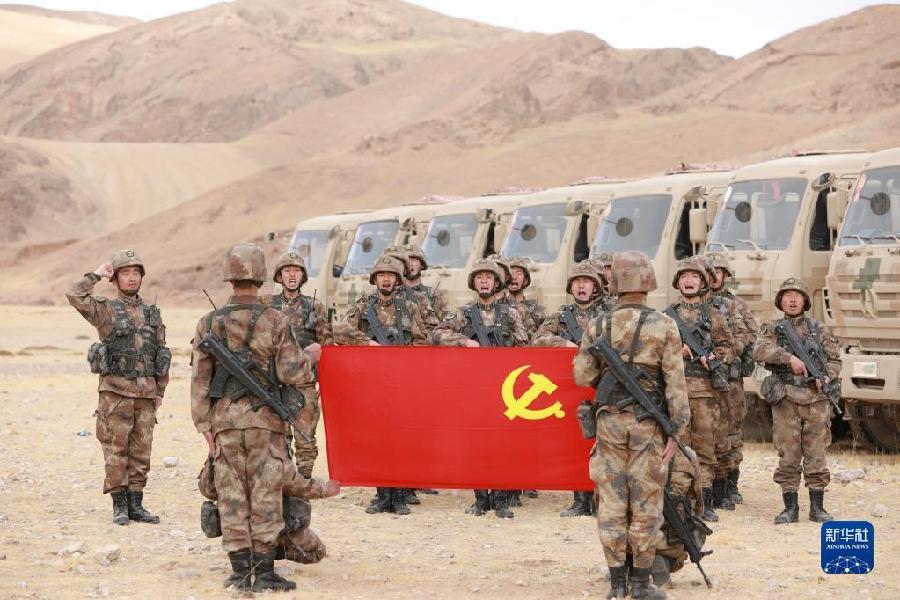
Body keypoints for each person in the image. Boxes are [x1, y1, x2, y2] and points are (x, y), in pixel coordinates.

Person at [191, 242, 322, 592]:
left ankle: (239, 572)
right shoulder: (275, 319)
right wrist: (311, 355)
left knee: (231, 495)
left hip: (224, 424)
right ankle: (263, 573)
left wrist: (205, 426)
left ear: (229, 276)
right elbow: (292, 372)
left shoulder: (209, 322)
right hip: (266, 423)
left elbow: (200, 380)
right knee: (265, 495)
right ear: (263, 276)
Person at [574, 251, 690, 600]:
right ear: (649, 282)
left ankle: (616, 583)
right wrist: (677, 429)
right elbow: (675, 383)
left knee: (611, 502)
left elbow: (582, 376)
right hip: (648, 425)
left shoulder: (598, 325)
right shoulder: (664, 325)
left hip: (609, 423)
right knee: (646, 502)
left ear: (614, 283)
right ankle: (640, 584)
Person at [66, 249, 169, 526]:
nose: (132, 278)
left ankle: (136, 504)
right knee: (115, 449)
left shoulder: (152, 313)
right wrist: (96, 275)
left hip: (146, 394)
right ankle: (119, 506)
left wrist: (160, 390)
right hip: (115, 392)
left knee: (141, 451)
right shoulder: (105, 310)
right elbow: (74, 294)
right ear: (116, 278)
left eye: (136, 273)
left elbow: (161, 352)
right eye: (125, 273)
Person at [333, 255, 429, 515]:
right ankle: (382, 494)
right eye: (381, 275)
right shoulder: (364, 305)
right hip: (373, 383)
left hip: (402, 382)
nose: (386, 279)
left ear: (397, 279)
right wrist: (366, 343)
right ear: (375, 279)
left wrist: (409, 363)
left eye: (390, 275)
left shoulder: (409, 306)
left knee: (401, 438)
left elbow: (422, 340)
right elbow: (339, 331)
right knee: (378, 438)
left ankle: (400, 494)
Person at [433, 258, 528, 518]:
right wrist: (463, 341)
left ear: (497, 283)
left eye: (489, 277)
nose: (484, 281)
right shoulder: (463, 313)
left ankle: (500, 499)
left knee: (501, 444)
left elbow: (524, 347)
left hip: (503, 389)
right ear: (473, 282)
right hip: (473, 389)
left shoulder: (510, 313)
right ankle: (480, 498)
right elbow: (436, 334)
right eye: (479, 277)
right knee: (475, 443)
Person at [753, 277, 840, 524]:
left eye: (797, 296)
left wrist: (826, 375)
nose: (792, 300)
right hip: (786, 399)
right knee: (788, 454)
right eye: (788, 296)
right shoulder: (772, 327)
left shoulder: (818, 328)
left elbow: (835, 360)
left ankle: (817, 508)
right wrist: (788, 358)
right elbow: (759, 351)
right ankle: (790, 509)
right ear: (780, 301)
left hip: (816, 400)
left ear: (805, 301)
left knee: (817, 454)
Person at [664, 256, 736, 522]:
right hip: (676, 393)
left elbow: (729, 347)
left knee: (706, 448)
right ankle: (679, 501)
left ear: (703, 282)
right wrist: (677, 350)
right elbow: (653, 350)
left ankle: (703, 501)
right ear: (678, 282)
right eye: (684, 277)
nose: (689, 281)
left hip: (706, 393)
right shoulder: (666, 317)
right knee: (678, 447)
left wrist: (715, 357)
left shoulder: (714, 315)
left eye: (694, 277)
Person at [533, 260, 608, 517]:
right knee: (576, 443)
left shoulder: (610, 314)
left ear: (595, 286)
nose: (581, 286)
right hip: (574, 388)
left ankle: (602, 500)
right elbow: (538, 338)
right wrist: (563, 343)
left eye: (586, 281)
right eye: (577, 282)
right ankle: (580, 499)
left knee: (606, 443)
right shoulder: (562, 316)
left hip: (605, 386)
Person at [262, 250, 332, 478]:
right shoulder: (266, 305)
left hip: (304, 385)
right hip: (274, 384)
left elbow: (326, 346)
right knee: (277, 437)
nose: (292, 275)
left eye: (296, 271)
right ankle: (285, 481)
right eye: (287, 271)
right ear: (279, 276)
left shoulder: (316, 307)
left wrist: (323, 382)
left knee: (306, 439)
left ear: (303, 276)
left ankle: (303, 481)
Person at [707, 251, 757, 505]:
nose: (714, 276)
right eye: (710, 271)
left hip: (731, 378)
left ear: (725, 275)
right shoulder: (693, 303)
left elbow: (751, 334)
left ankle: (730, 484)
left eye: (718, 271)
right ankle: (707, 485)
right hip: (702, 378)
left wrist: (729, 349)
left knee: (732, 432)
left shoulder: (737, 305)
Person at [403, 242, 449, 322]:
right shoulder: (393, 295)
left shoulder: (434, 295)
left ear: (422, 265)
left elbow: (445, 324)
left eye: (414, 260)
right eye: (406, 261)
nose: (410, 264)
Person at [507, 257, 546, 335]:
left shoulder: (537, 310)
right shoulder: (498, 308)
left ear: (526, 281)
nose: (514, 277)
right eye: (510, 273)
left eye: (518, 274)